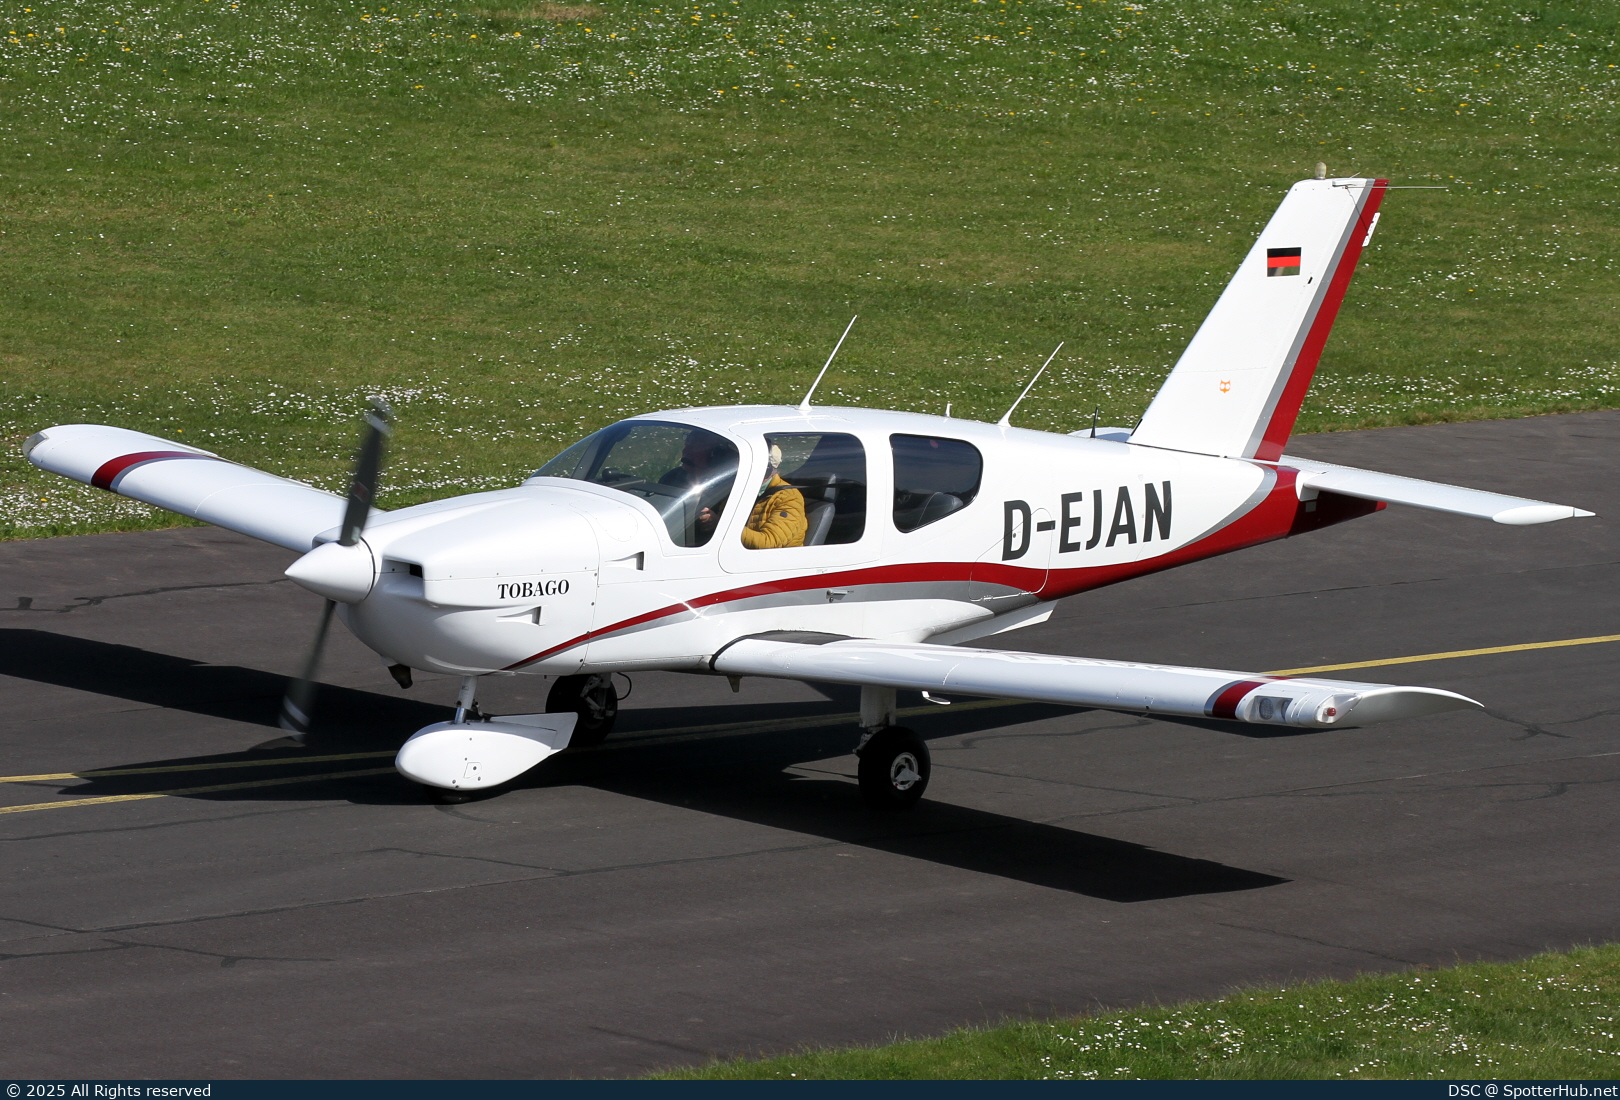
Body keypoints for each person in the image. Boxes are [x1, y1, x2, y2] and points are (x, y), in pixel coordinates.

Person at [741, 443, 807, 549]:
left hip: (776, 561)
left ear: (766, 469)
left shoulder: (789, 498)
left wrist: (720, 526)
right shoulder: (741, 490)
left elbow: (768, 542)